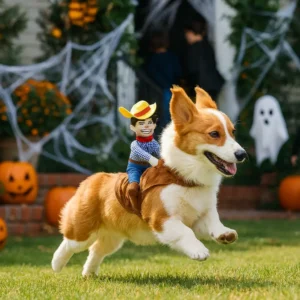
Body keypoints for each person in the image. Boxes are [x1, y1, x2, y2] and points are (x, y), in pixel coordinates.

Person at [118, 100, 160, 207]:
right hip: (135, 167)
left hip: (149, 168)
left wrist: (165, 161)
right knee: (133, 187)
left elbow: (161, 153)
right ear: (133, 127)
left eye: (149, 123)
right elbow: (141, 153)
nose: (146, 126)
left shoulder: (153, 143)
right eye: (141, 123)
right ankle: (134, 204)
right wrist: (152, 159)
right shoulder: (135, 144)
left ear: (154, 125)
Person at [145, 31, 182, 128]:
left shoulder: (152, 60)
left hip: (157, 89)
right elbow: (178, 72)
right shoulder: (172, 57)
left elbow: (151, 74)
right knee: (170, 113)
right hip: (171, 88)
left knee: (160, 114)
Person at [183, 18, 224, 100]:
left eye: (187, 33)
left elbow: (193, 71)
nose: (186, 36)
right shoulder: (207, 45)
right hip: (213, 85)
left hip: (203, 87)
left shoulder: (194, 49)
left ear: (191, 33)